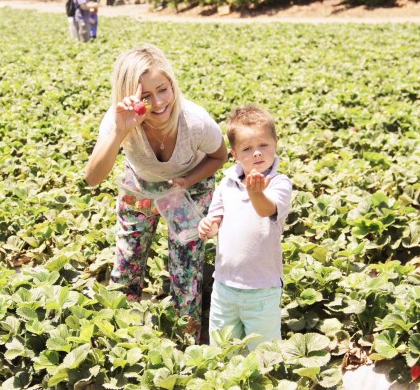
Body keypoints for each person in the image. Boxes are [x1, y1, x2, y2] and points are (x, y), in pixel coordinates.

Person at [84, 44, 227, 339]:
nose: (159, 103)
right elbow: (93, 177)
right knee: (127, 260)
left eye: (163, 89)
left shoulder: (195, 121)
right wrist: (121, 131)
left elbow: (220, 156)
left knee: (186, 265)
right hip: (141, 185)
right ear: (129, 96)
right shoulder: (118, 119)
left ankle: (185, 339)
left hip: (190, 186)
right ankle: (120, 333)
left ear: (172, 83)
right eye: (145, 96)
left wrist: (187, 180)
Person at [198, 105, 292, 352]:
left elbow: (265, 209)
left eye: (263, 145)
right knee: (222, 351)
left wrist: (255, 192)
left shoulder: (279, 183)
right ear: (234, 154)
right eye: (247, 149)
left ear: (276, 143)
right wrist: (207, 227)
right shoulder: (226, 184)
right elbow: (214, 222)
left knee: (264, 354)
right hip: (224, 286)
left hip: (262, 289)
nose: (257, 153)